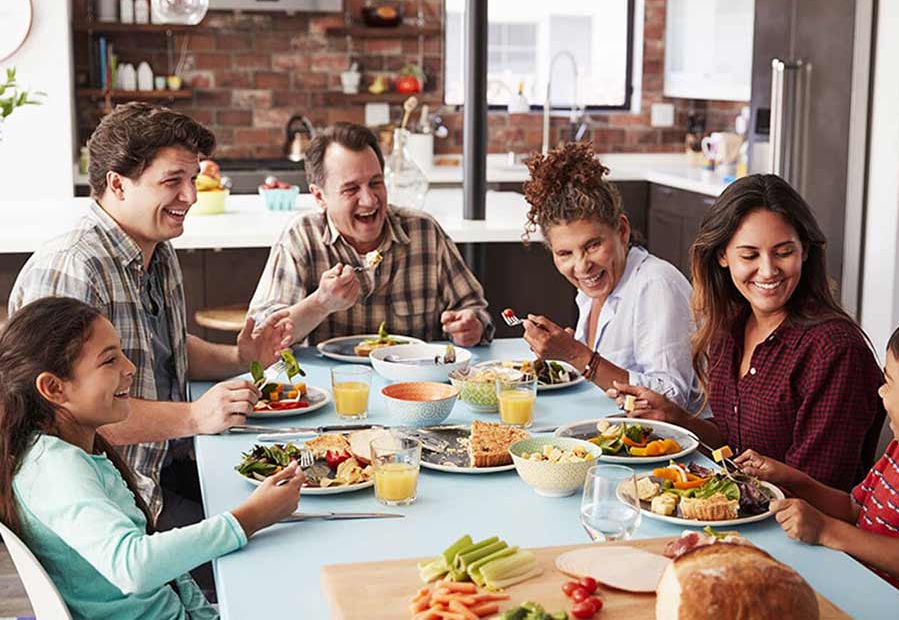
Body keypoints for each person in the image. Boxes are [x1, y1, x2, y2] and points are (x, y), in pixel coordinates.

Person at [7, 102, 293, 533]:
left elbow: (166, 349)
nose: (192, 196)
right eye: (172, 181)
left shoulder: (157, 250)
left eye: (193, 179)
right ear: (118, 185)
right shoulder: (75, 268)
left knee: (302, 490)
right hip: (120, 503)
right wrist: (195, 417)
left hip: (168, 462)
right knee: (278, 537)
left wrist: (239, 356)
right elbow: (70, 417)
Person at [0, 297, 305, 620]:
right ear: (53, 388)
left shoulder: (56, 453)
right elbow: (134, 567)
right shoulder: (57, 470)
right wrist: (250, 517)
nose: (129, 369)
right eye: (109, 361)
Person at [612, 174, 884, 490]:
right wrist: (678, 420)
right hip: (743, 509)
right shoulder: (731, 326)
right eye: (750, 255)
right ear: (722, 256)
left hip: (792, 531)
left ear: (805, 250)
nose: (768, 271)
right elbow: (736, 440)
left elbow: (820, 488)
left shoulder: (835, 350)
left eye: (783, 252)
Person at [738, 312, 899, 620]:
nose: (880, 391)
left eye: (888, 382)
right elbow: (855, 508)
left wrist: (827, 531)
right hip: (854, 587)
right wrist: (792, 479)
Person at [248, 122, 493, 346]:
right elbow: (262, 336)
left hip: (415, 387)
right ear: (320, 196)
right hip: (328, 388)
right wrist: (320, 303)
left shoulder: (424, 232)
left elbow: (474, 309)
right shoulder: (302, 237)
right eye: (351, 189)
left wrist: (472, 326)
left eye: (376, 183)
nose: (369, 199)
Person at [517, 142, 698, 409]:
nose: (581, 267)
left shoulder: (657, 285)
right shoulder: (594, 289)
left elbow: (672, 400)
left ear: (622, 231)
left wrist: (576, 354)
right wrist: (563, 353)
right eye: (565, 253)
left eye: (593, 246)